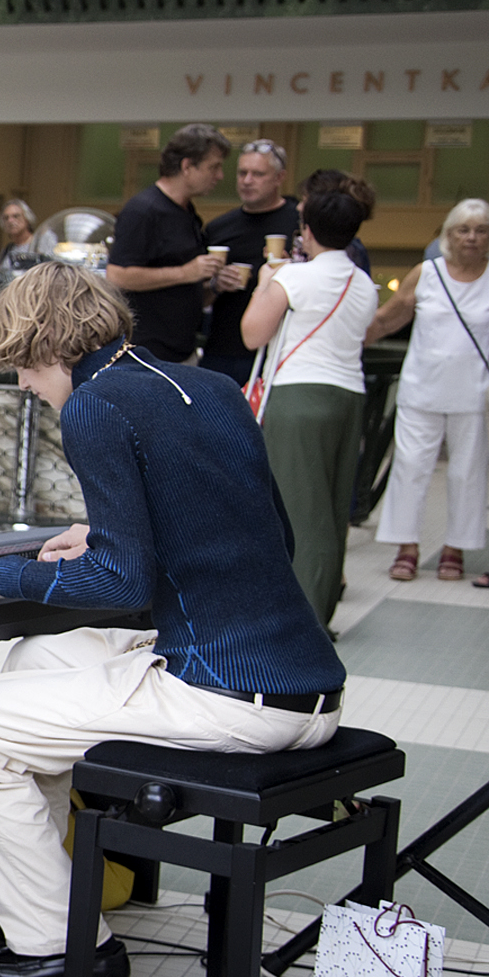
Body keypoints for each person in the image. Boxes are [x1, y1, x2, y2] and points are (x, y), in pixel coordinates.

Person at [0, 263, 344, 977]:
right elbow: (273, 536)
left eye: (22, 368)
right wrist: (106, 532)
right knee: (36, 658)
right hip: (305, 681)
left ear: (44, 344)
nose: (23, 387)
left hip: (233, 696)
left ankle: (65, 953)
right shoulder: (211, 386)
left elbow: (122, 587)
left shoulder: (96, 406)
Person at [239, 190, 379, 627]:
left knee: (300, 508)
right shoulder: (363, 283)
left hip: (299, 396)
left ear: (308, 231)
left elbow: (252, 334)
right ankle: (324, 604)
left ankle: (302, 619)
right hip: (349, 395)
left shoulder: (295, 278)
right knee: (334, 508)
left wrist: (266, 281)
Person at [366, 198, 489, 586]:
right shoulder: (427, 273)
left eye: (481, 229)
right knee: (410, 468)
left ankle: (456, 547)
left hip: (475, 393)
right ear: (447, 235)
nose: (471, 237)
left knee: (468, 473)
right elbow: (390, 318)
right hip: (422, 389)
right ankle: (407, 547)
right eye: (462, 230)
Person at [106, 123, 231, 362]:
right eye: (213, 167)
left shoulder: (188, 212)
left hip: (181, 350)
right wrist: (186, 272)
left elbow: (183, 285)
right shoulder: (143, 211)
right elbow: (118, 275)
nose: (219, 176)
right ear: (187, 166)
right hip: (146, 353)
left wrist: (214, 285)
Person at [198, 139, 299, 386]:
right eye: (242, 173)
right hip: (223, 347)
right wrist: (215, 285)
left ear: (279, 177)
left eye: (258, 174)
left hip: (279, 347)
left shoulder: (299, 222)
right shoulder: (219, 228)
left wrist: (292, 271)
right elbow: (196, 297)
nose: (247, 180)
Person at [0, 199, 43, 275]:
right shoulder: (7, 250)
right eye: (6, 218)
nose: (10, 221)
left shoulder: (40, 245)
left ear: (27, 219)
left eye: (16, 216)